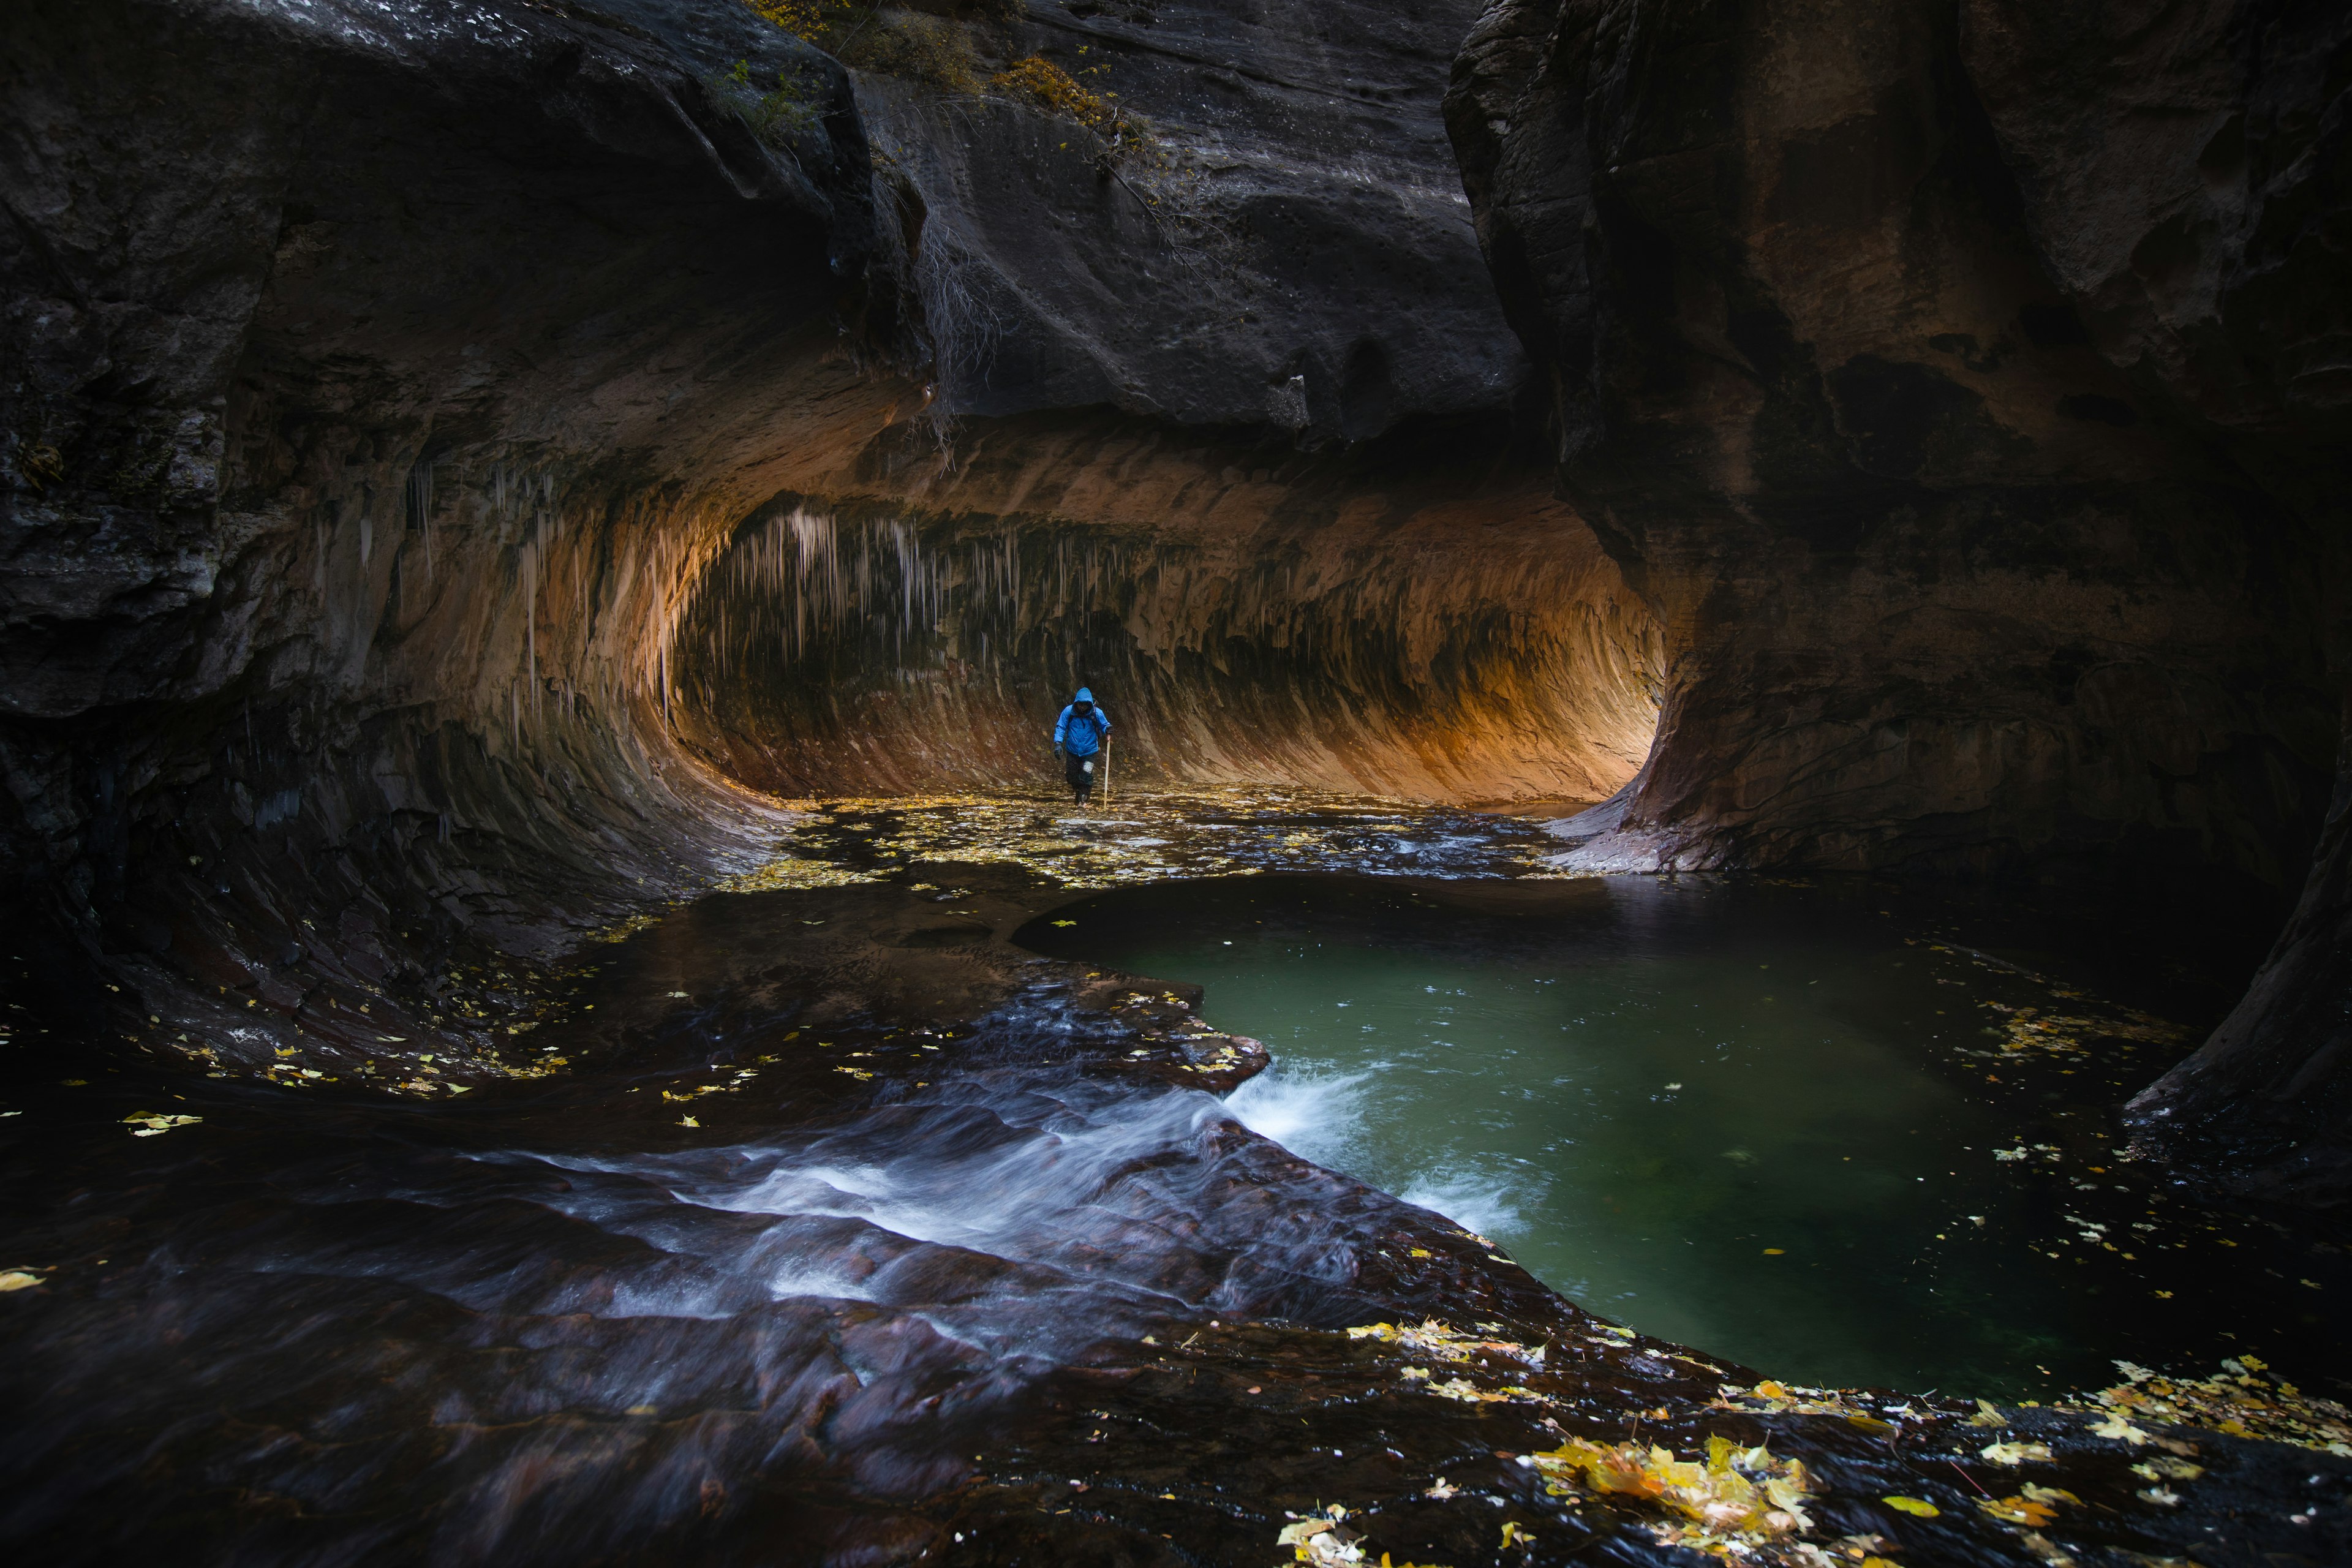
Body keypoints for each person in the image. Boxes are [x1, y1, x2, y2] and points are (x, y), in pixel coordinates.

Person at [1052, 687, 1112, 804]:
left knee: (1086, 775)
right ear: (1076, 703)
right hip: (1072, 751)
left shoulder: (1097, 713)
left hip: (1090, 752)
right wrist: (1058, 744)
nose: (1082, 707)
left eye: (1085, 705)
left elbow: (1104, 725)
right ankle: (1079, 791)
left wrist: (1108, 729)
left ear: (1089, 704)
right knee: (1071, 776)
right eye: (1080, 704)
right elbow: (1061, 727)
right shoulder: (1069, 712)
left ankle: (1083, 800)